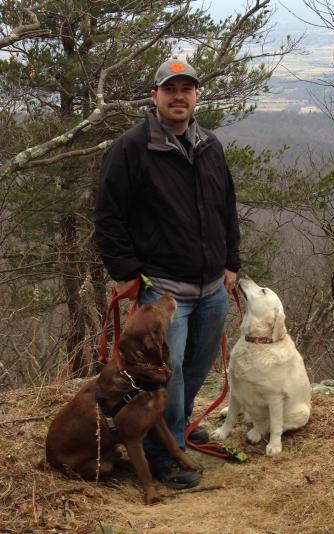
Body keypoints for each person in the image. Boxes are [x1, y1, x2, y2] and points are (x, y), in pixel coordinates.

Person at [95, 58, 240, 489]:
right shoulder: (130, 149)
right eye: (170, 89)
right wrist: (125, 272)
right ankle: (164, 455)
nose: (179, 97)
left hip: (212, 283)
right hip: (163, 288)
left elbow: (226, 208)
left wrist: (232, 261)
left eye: (187, 89)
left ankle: (176, 424)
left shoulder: (210, 145)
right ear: (154, 95)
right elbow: (108, 217)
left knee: (195, 363)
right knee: (166, 372)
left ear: (196, 96)